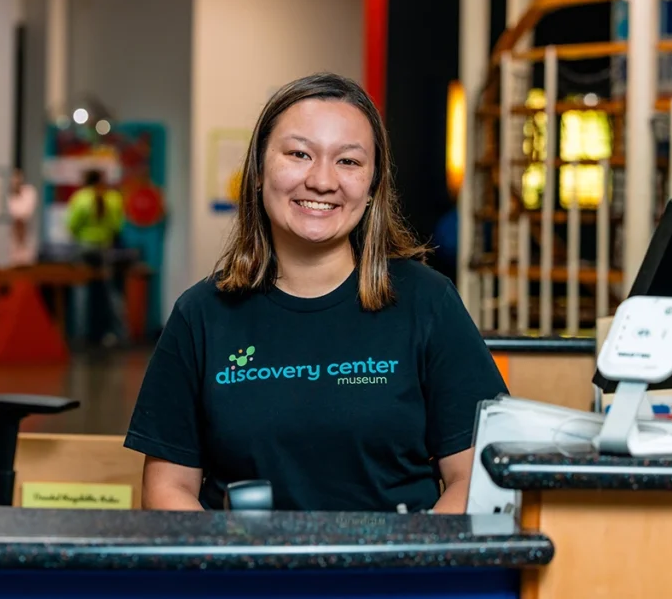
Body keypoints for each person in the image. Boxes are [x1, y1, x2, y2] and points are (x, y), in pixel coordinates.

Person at [124, 73, 507, 513]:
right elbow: (166, 490)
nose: (323, 181)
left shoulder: (428, 302)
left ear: (372, 186)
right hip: (244, 578)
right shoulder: (201, 314)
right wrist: (239, 575)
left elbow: (475, 475)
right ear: (258, 171)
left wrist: (404, 570)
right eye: (299, 154)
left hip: (395, 577)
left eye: (348, 161)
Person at [67, 168, 125, 346]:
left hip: (84, 248)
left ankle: (80, 335)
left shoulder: (80, 198)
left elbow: (72, 225)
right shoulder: (114, 198)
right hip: (105, 249)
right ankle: (118, 333)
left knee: (81, 293)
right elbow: (118, 227)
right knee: (110, 292)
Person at [7, 167, 38, 267]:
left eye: (17, 176)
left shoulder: (29, 192)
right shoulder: (8, 195)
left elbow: (26, 213)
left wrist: (19, 216)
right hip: (13, 235)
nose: (16, 180)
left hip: (26, 234)